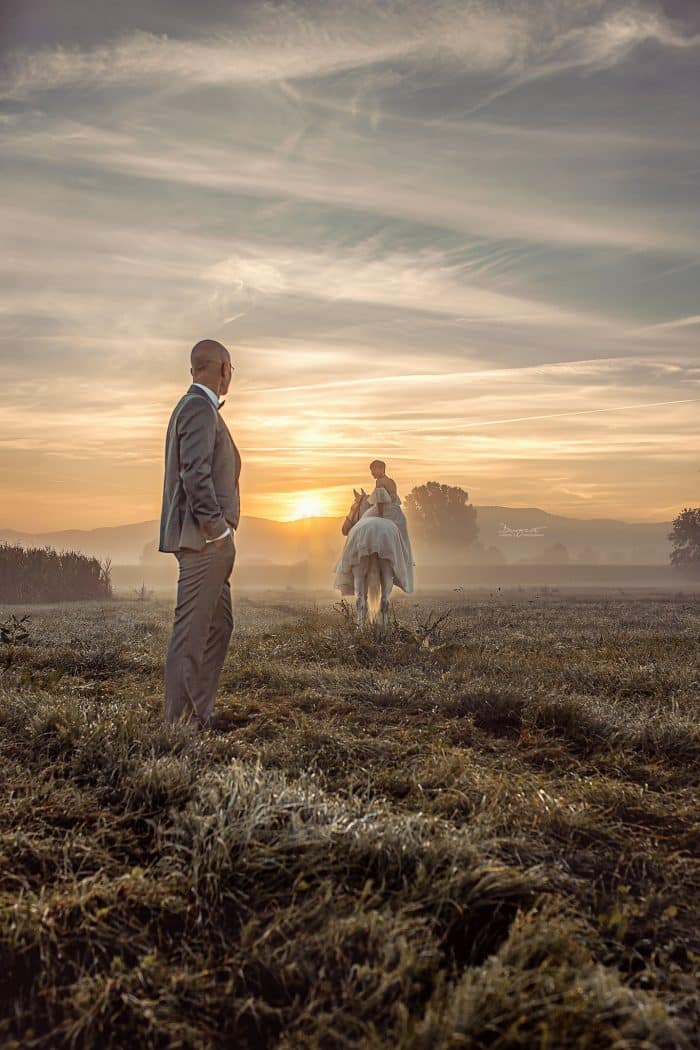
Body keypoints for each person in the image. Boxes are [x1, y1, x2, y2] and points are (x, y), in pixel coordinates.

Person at [159, 339, 241, 728]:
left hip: (206, 539)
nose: (232, 375)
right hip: (203, 539)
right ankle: (179, 725)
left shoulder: (200, 407)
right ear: (222, 367)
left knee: (219, 625)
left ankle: (199, 714)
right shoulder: (197, 407)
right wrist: (217, 531)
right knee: (191, 633)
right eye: (232, 368)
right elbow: (195, 473)